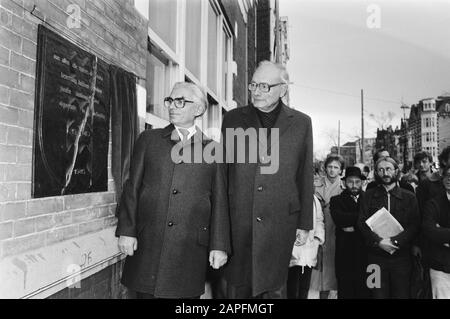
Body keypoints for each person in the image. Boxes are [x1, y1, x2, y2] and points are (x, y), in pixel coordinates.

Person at [115, 82, 230, 299]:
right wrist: (126, 230)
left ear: (198, 109)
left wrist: (219, 245)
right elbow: (132, 187)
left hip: (189, 252)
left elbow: (220, 201)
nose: (172, 106)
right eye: (170, 100)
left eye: (180, 101)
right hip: (147, 247)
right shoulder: (149, 140)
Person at [220, 60, 314, 298]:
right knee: (238, 289)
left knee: (273, 289)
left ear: (283, 89)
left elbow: (304, 175)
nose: (256, 91)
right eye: (253, 85)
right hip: (239, 222)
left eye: (265, 86)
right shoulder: (232, 120)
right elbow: (223, 174)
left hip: (280, 223)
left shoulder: (302, 123)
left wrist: (304, 223)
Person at [358, 156, 420, 299]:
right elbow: (361, 223)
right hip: (374, 258)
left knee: (402, 295)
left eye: (388, 169)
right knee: (376, 295)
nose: (385, 173)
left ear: (396, 171)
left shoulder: (409, 197)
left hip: (402, 258)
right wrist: (379, 241)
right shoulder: (367, 196)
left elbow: (415, 224)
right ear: (376, 173)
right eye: (380, 170)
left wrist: (395, 241)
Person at [330, 166, 369, 299]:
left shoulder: (369, 199)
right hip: (345, 253)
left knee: (366, 291)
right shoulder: (336, 200)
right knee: (346, 290)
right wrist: (363, 220)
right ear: (344, 182)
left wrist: (352, 224)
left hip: (366, 254)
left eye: (357, 182)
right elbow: (340, 219)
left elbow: (374, 221)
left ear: (362, 182)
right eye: (350, 181)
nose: (354, 185)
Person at [310, 154, 345, 299]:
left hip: (336, 230)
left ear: (341, 170)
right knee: (318, 270)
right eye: (330, 166)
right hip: (318, 227)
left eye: (336, 167)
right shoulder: (316, 185)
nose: (332, 170)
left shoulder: (344, 187)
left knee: (335, 269)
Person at [288, 195, 325, 299]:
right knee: (291, 288)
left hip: (309, 250)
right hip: (291, 251)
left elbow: (319, 220)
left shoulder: (313, 199)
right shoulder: (289, 194)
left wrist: (317, 239)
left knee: (304, 288)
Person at [422, 165, 450, 299]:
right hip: (441, 267)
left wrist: (442, 233)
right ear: (442, 178)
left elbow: (437, 232)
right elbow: (429, 230)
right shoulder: (433, 204)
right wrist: (437, 232)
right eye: (447, 175)